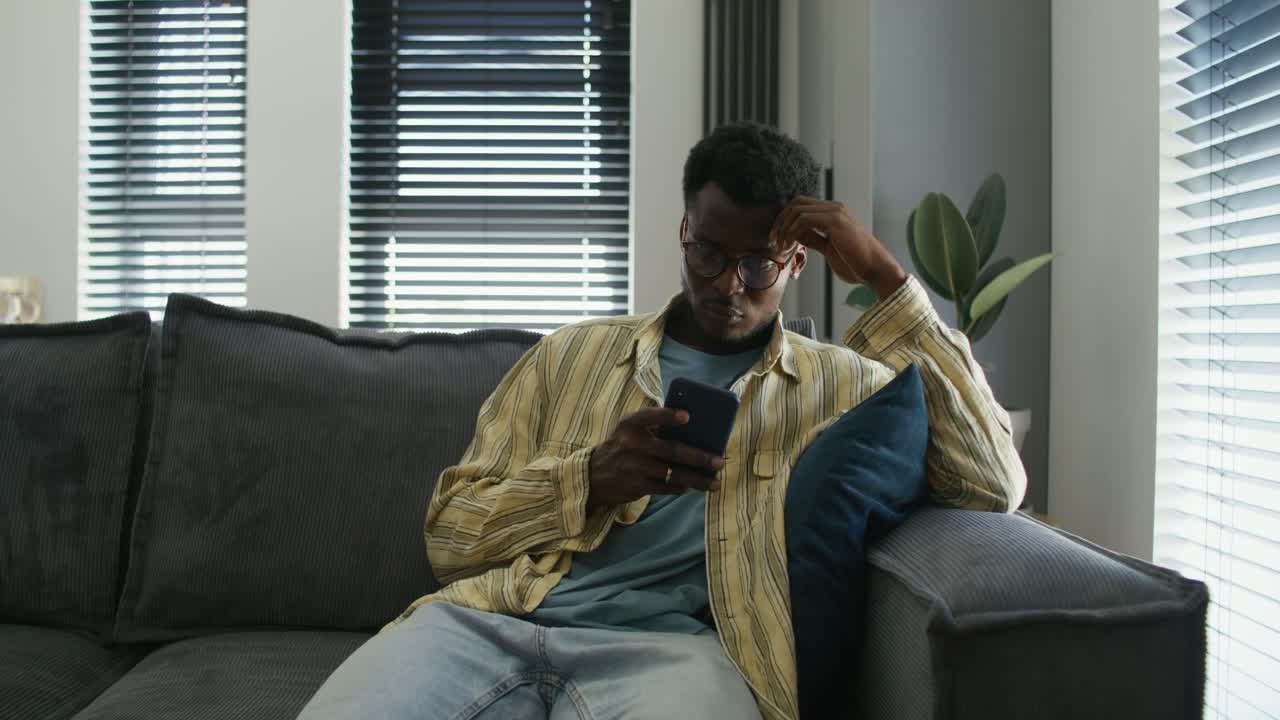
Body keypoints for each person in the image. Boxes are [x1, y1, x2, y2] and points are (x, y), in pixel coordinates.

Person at [297, 123, 1025, 720]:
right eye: (709, 252)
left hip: (677, 654)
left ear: (798, 259)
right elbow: (449, 535)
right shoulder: (568, 356)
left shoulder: (843, 387)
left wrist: (887, 282)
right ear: (684, 230)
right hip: (492, 622)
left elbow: (993, 484)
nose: (726, 285)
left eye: (757, 264)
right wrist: (588, 480)